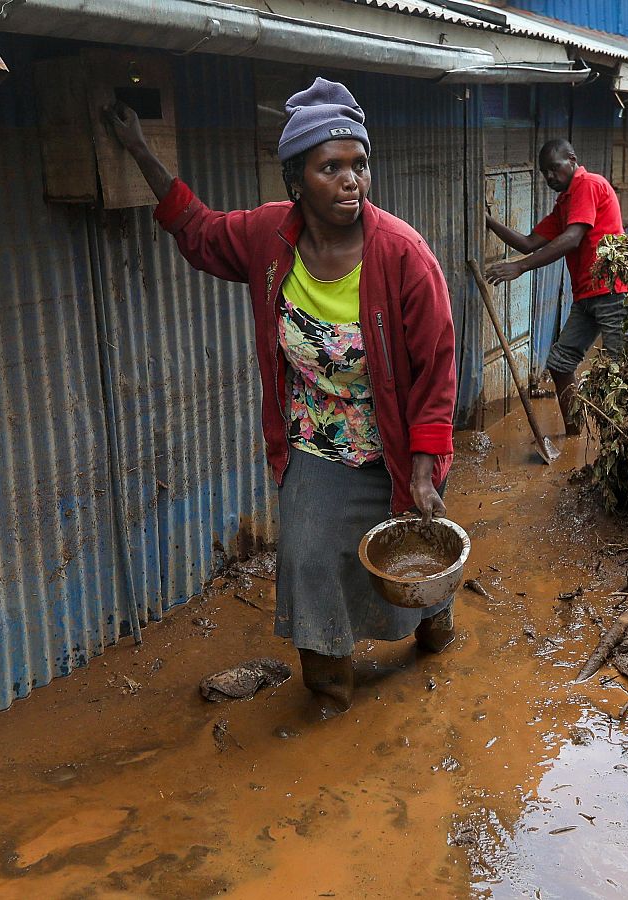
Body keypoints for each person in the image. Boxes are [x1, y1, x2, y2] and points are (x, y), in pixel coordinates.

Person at [103, 78, 458, 717]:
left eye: (360, 165)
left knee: (415, 560)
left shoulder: (404, 255)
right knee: (309, 554)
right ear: (297, 180)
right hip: (316, 440)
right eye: (332, 168)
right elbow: (198, 229)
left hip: (396, 445)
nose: (352, 181)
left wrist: (428, 466)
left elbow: (436, 369)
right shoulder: (269, 239)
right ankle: (328, 690)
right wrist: (138, 149)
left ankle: (434, 623)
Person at [484, 139, 628, 435]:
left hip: (612, 291)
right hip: (587, 296)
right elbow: (528, 242)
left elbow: (573, 238)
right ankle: (575, 434)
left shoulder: (587, 185)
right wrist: (488, 221)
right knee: (561, 362)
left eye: (554, 168)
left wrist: (519, 267)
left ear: (572, 160)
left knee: (621, 373)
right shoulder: (565, 203)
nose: (549, 176)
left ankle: (624, 448)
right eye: (544, 172)